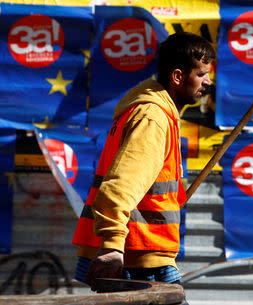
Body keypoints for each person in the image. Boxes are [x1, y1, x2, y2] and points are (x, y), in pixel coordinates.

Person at [72, 32, 215, 290]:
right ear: (178, 76)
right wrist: (113, 245)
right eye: (202, 73)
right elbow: (121, 184)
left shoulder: (153, 110)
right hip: (137, 256)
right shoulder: (153, 117)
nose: (208, 81)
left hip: (141, 252)